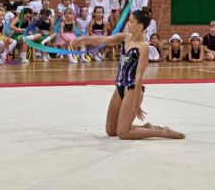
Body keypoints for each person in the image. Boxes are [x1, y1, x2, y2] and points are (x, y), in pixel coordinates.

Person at [73, 11, 185, 140]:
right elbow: (102, 39)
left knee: (123, 134)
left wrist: (136, 103)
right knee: (111, 131)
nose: (128, 23)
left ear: (140, 26)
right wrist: (83, 39)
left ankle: (163, 132)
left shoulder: (144, 47)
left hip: (132, 89)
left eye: (131, 21)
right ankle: (147, 127)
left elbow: (138, 77)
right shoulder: (124, 37)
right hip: (120, 86)